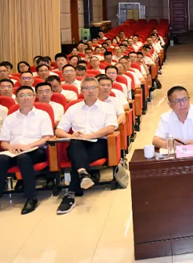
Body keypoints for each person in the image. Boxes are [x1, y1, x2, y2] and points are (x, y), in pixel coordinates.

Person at [54, 77, 119, 215]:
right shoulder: (73, 108)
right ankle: (82, 175)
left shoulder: (107, 107)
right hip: (77, 144)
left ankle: (71, 193)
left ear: (98, 89)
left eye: (93, 87)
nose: (90, 91)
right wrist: (71, 136)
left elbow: (110, 128)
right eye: (86, 88)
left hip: (99, 144)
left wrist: (90, 136)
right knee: (75, 144)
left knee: (76, 157)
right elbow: (59, 131)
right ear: (81, 91)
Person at [0, 86, 54, 214]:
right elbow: (4, 141)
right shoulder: (10, 118)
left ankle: (31, 197)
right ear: (17, 99)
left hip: (36, 150)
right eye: (22, 95)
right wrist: (10, 147)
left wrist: (28, 146)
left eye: (29, 95)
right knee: (1, 159)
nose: (26, 98)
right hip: (14, 151)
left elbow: (47, 137)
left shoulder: (42, 115)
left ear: (34, 97)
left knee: (23, 159)